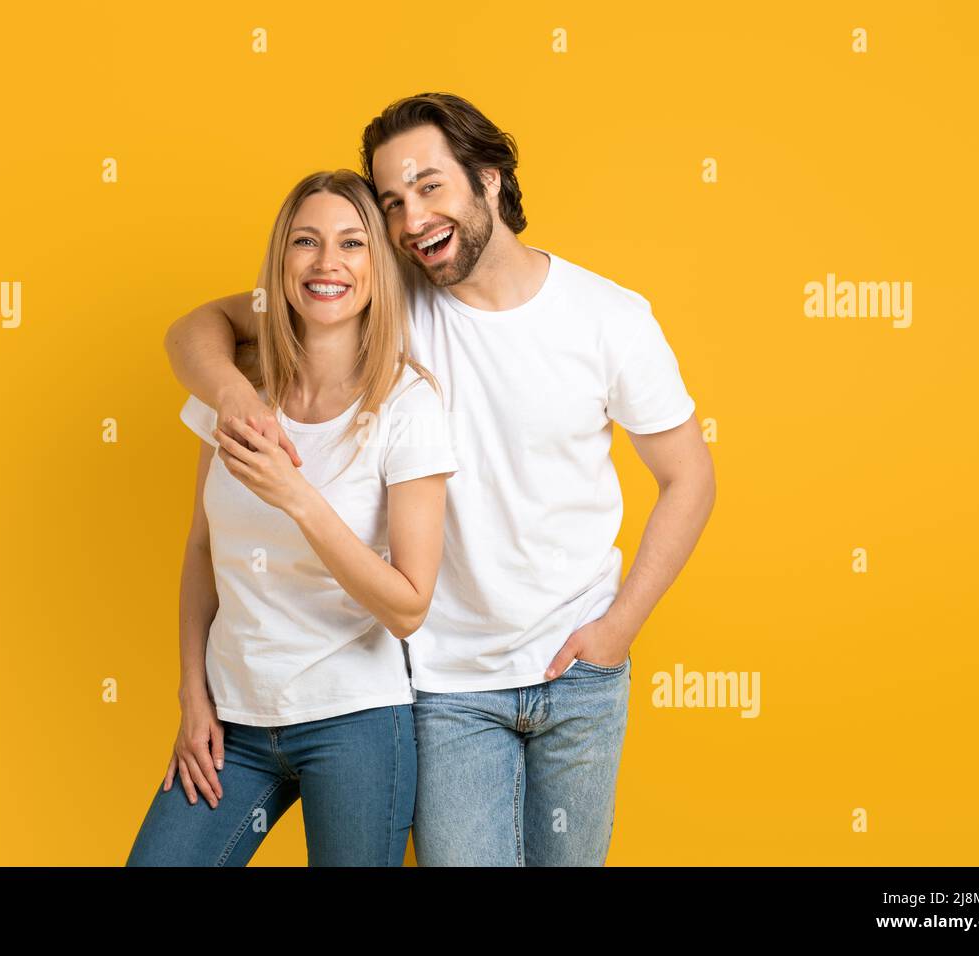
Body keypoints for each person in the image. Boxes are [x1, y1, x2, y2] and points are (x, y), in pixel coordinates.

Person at [164, 93, 716, 866]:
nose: (411, 218)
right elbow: (198, 328)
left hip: (580, 673)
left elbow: (689, 476)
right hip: (445, 685)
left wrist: (617, 631)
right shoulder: (381, 296)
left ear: (490, 178)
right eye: (391, 200)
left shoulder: (610, 317)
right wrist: (232, 398)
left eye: (429, 186)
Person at [127, 168, 458, 867]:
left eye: (351, 244)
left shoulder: (408, 407)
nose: (326, 263)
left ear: (378, 266)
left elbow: (408, 607)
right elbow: (200, 550)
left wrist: (297, 495)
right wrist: (194, 694)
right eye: (305, 242)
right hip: (234, 723)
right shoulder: (241, 392)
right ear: (281, 262)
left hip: (357, 721)